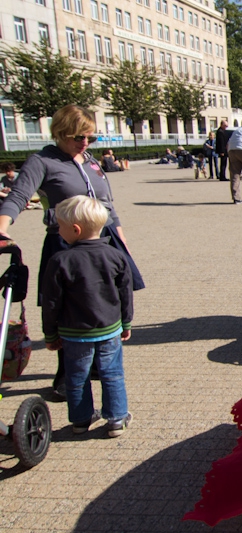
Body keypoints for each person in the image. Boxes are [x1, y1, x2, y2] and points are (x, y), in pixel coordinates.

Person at [0, 104, 145, 399]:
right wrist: (2, 228)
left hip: (103, 241)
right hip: (66, 243)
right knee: (69, 307)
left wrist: (121, 239)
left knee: (106, 298)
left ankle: (98, 364)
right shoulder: (43, 161)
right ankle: (67, 373)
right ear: (61, 132)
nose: (85, 143)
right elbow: (18, 196)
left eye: (91, 138)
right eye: (79, 137)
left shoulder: (90, 161)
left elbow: (108, 205)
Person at [41, 195, 133, 437]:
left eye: (60, 227)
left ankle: (80, 420)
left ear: (75, 229)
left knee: (76, 376)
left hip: (74, 332)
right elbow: (125, 293)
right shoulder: (115, 256)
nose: (58, 231)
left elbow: (51, 302)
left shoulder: (60, 260)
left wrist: (50, 334)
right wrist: (126, 322)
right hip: (109, 328)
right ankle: (116, 418)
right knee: (112, 374)